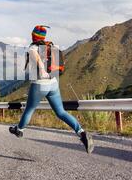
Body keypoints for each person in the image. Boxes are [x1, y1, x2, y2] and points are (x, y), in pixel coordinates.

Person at [9, 25, 94, 153]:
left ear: (34, 36)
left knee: (29, 109)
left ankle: (19, 130)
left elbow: (34, 54)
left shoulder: (33, 47)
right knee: (61, 112)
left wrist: (42, 69)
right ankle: (81, 133)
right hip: (53, 84)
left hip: (39, 84)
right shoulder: (50, 46)